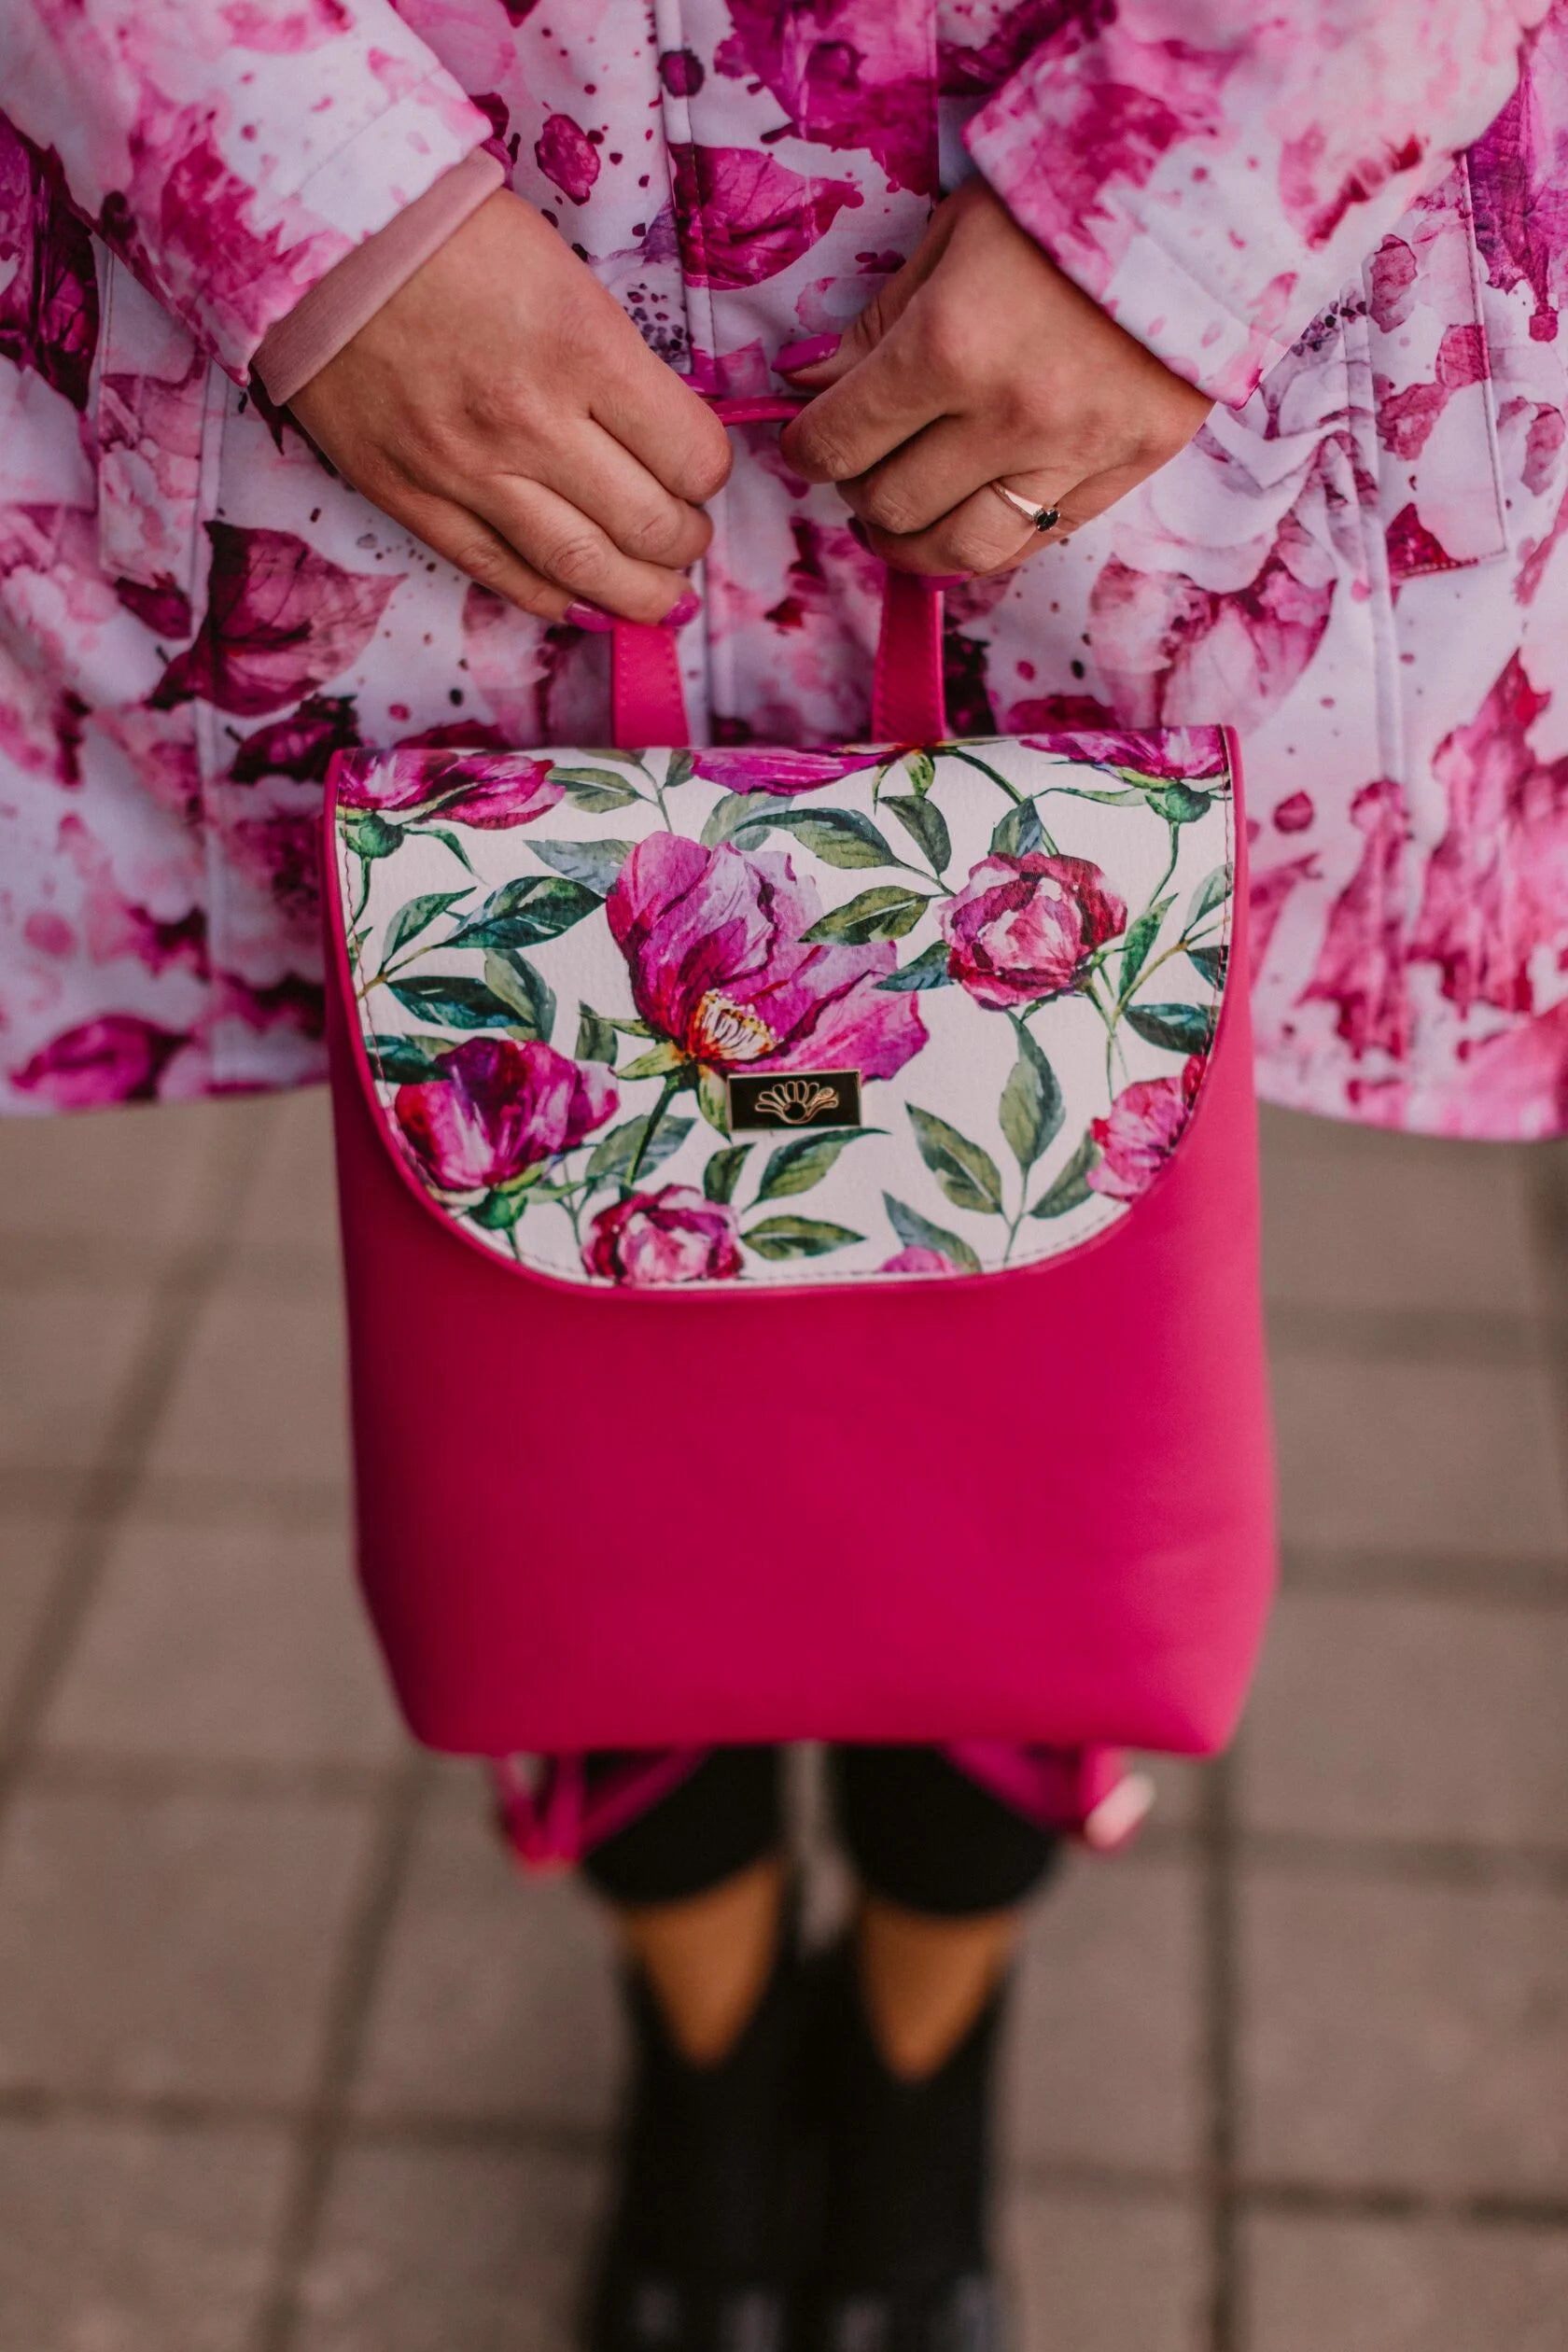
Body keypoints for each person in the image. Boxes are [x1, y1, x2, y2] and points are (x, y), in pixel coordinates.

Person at [0, 1, 1557, 2345]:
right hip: (435, 396)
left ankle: (923, 2041)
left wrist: (1193, 183)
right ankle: (706, 2034)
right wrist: (298, 181)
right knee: (579, 1436)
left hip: (1124, 405)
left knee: (1034, 1441)